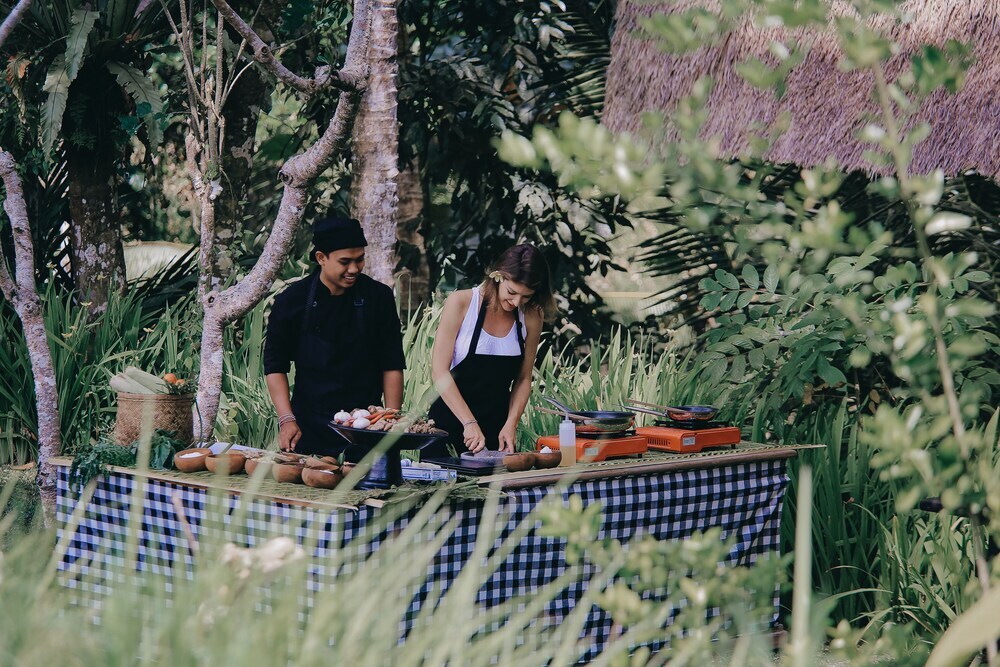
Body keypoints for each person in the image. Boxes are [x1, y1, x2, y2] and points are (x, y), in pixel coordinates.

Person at [263, 216, 406, 453]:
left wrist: (389, 420)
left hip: (365, 426)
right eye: (345, 262)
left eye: (360, 259)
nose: (354, 269)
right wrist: (287, 419)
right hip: (308, 426)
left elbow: (391, 364)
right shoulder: (291, 301)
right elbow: (275, 366)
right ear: (321, 258)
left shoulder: (378, 297)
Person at [428, 244, 555, 454]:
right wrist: (469, 423)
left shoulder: (532, 316)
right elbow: (439, 371)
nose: (516, 302)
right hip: (448, 423)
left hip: (498, 431)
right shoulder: (461, 302)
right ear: (498, 276)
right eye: (512, 292)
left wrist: (511, 424)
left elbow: (523, 378)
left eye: (526, 296)